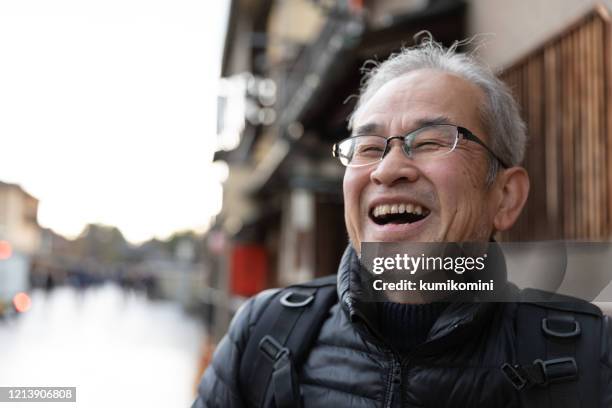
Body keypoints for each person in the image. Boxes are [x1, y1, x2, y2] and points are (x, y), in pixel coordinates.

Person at [192, 37, 612, 407]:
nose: (388, 169)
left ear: (505, 197)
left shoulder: (591, 356)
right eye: (369, 147)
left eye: (430, 141)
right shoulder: (265, 332)